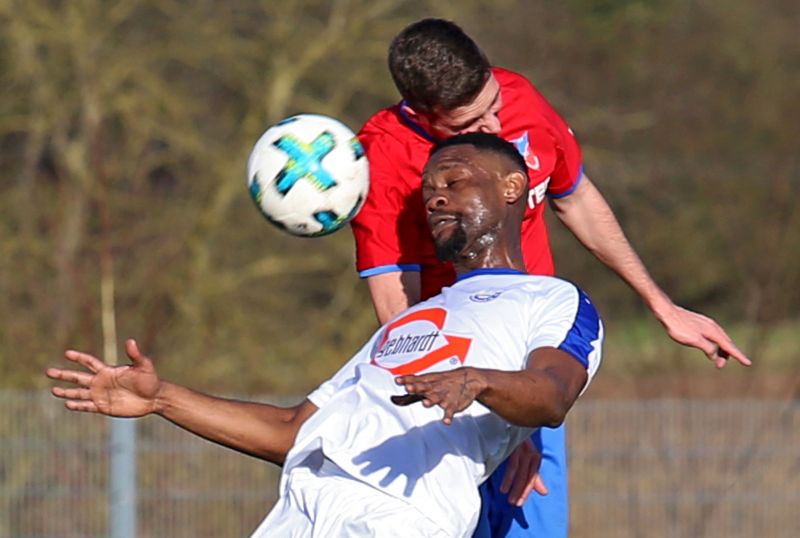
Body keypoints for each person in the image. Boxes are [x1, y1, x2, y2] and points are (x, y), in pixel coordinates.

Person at [47, 133, 603, 537]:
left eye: (454, 182)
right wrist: (164, 398)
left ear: (512, 187)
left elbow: (551, 396)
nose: (435, 197)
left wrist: (478, 380)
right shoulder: (413, 319)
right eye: (428, 188)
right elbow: (295, 430)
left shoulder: (553, 299)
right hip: (300, 509)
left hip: (396, 519)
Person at [350, 17, 751, 538]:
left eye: (494, 102)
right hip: (448, 392)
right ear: (421, 114)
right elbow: (395, 307)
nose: (496, 125)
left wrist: (662, 304)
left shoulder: (520, 97)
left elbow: (576, 198)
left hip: (535, 368)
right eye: (472, 122)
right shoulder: (383, 156)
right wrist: (488, 415)